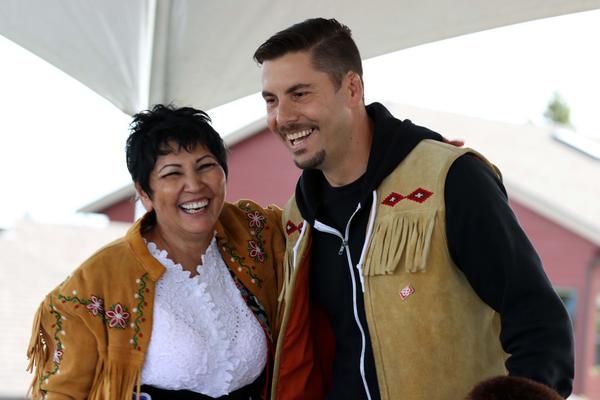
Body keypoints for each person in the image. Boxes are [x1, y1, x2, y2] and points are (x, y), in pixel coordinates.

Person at [253, 18, 574, 400]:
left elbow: (540, 324)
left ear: (351, 88)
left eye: (300, 94)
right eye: (271, 100)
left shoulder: (450, 180)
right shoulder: (295, 223)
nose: (282, 117)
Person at [26, 105, 285, 400]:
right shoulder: (96, 282)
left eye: (205, 166)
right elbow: (62, 393)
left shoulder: (256, 233)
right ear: (144, 193)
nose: (194, 185)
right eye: (172, 173)